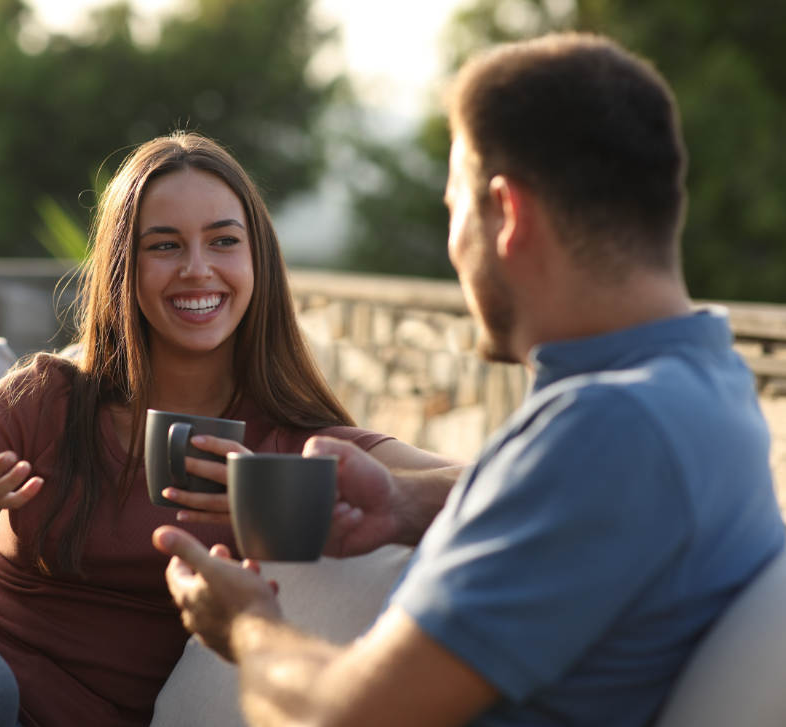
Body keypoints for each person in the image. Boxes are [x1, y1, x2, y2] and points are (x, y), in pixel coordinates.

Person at [153, 33, 786, 727]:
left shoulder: (612, 427)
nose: (454, 242)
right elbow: (580, 521)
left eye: (454, 206)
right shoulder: (706, 379)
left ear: (506, 214)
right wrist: (403, 503)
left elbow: (344, 716)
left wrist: (245, 625)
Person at [0, 133, 462, 727]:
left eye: (224, 240)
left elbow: (487, 484)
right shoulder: (44, 400)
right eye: (164, 245)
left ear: (258, 260)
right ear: (123, 270)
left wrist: (290, 489)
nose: (197, 268)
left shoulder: (288, 441)